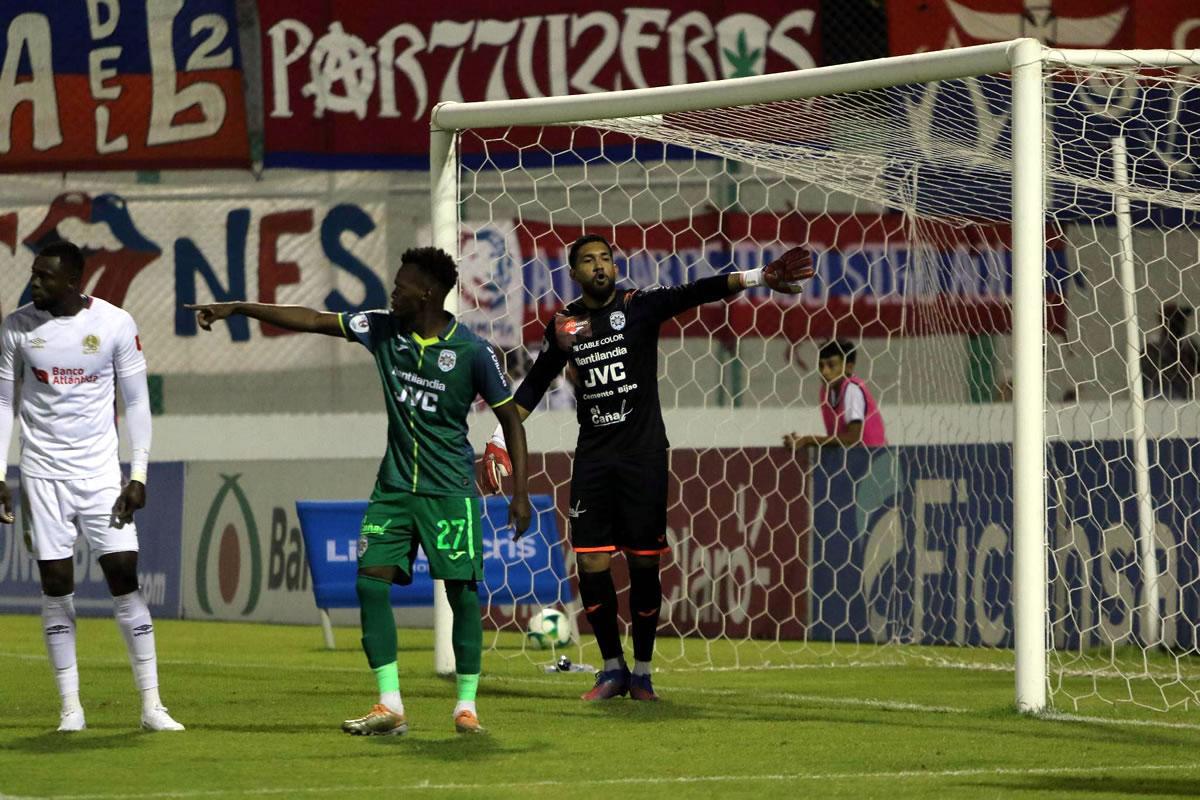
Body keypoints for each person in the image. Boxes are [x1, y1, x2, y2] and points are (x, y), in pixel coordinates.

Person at [187, 246, 531, 736]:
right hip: (393, 488)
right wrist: (240, 307)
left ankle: (466, 706)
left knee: (462, 594)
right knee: (370, 584)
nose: (393, 292)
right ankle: (389, 704)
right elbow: (311, 319)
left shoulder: (472, 353)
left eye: (402, 285)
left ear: (428, 293)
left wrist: (520, 493)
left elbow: (511, 421)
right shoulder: (381, 329)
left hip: (450, 491)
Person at [483, 235, 812, 701]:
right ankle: (611, 668)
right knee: (592, 563)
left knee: (643, 566)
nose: (600, 266)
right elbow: (533, 388)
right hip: (595, 459)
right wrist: (498, 439)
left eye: (606, 259)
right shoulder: (563, 324)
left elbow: (697, 290)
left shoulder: (639, 306)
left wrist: (760, 277)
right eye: (589, 261)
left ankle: (642, 671)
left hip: (644, 456)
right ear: (574, 274)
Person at [0, 240, 183, 733]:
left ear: (73, 281)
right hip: (41, 474)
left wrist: (138, 474)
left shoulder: (115, 324)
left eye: (44, 276)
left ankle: (151, 705)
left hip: (101, 475)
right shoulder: (17, 328)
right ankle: (70, 708)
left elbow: (137, 402)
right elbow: (4, 403)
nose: (34, 283)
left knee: (124, 576)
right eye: (34, 274)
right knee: (56, 587)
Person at [783, 339, 886, 450]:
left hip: (875, 458)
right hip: (853, 460)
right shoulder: (825, 392)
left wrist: (808, 440)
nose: (824, 372)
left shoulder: (852, 389)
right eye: (821, 366)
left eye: (831, 365)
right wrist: (802, 441)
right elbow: (837, 438)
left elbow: (852, 439)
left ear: (849, 367)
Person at [1142, 302, 1199, 400]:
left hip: (1183, 400)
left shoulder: (1188, 346)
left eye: (1182, 319)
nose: (1182, 324)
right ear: (1164, 322)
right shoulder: (1151, 348)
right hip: (1157, 400)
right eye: (1177, 320)